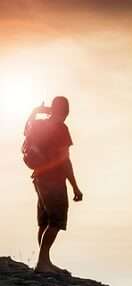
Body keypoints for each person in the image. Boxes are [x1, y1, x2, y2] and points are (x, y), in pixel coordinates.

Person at [29, 96, 83, 274]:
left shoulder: (38, 124)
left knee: (44, 221)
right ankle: (43, 263)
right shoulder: (61, 128)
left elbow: (26, 131)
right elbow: (65, 160)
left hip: (38, 178)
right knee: (56, 220)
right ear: (65, 111)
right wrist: (75, 186)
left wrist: (37, 112)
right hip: (54, 180)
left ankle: (44, 261)